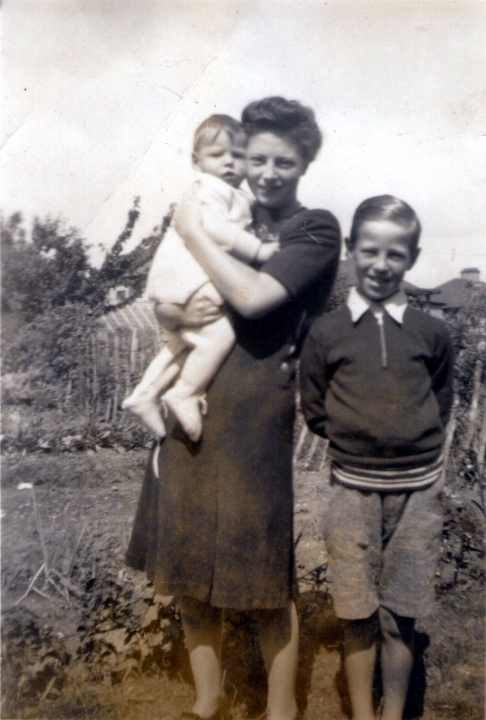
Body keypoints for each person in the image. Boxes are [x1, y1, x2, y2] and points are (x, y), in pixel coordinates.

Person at [126, 97, 341, 720]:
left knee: (263, 573)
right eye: (256, 159)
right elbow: (173, 300)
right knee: (189, 561)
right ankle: (208, 701)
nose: (267, 172)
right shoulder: (229, 206)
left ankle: (280, 710)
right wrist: (171, 312)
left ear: (304, 163)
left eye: (284, 161)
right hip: (189, 403)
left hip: (253, 414)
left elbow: (250, 298)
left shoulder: (314, 229)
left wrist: (193, 231)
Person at [300, 195, 454, 720]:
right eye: (370, 251)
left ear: (411, 258)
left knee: (400, 614)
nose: (381, 265)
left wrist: (408, 441)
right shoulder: (327, 332)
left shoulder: (433, 332)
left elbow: (440, 399)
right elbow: (315, 408)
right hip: (352, 490)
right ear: (352, 251)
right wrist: (360, 438)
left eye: (395, 254)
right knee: (356, 612)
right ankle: (363, 714)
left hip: (419, 493)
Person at [123, 114, 278, 441]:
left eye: (238, 156)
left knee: (187, 339)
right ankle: (186, 392)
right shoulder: (209, 188)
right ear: (196, 161)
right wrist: (259, 251)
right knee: (221, 330)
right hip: (188, 278)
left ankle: (144, 393)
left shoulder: (233, 194)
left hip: (179, 285)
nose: (229, 163)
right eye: (218, 155)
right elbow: (214, 228)